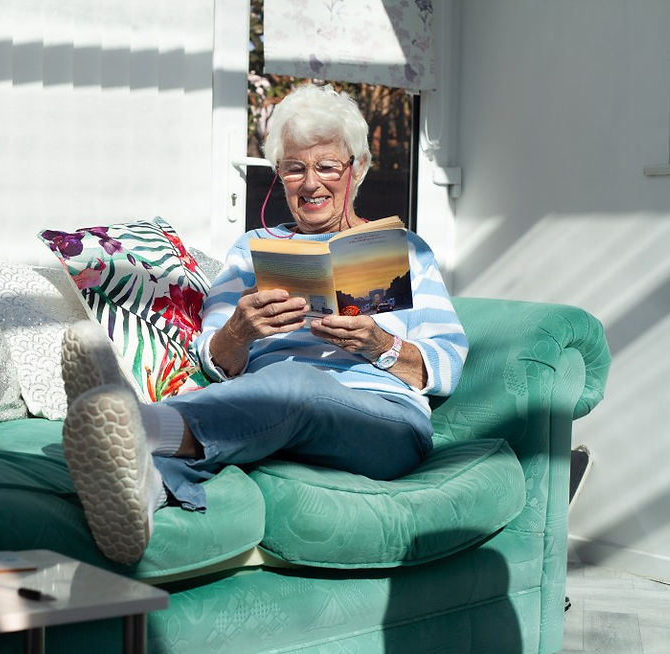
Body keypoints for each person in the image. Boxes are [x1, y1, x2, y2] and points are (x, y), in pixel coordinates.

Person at [61, 84, 468, 565]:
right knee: (281, 389)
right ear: (280, 177)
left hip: (384, 419)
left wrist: (380, 344)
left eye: (326, 167)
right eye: (295, 169)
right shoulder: (252, 250)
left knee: (294, 384)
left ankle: (138, 422)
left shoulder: (406, 250)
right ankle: (149, 488)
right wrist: (240, 330)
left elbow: (446, 364)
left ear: (355, 170)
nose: (311, 183)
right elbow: (213, 359)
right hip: (269, 405)